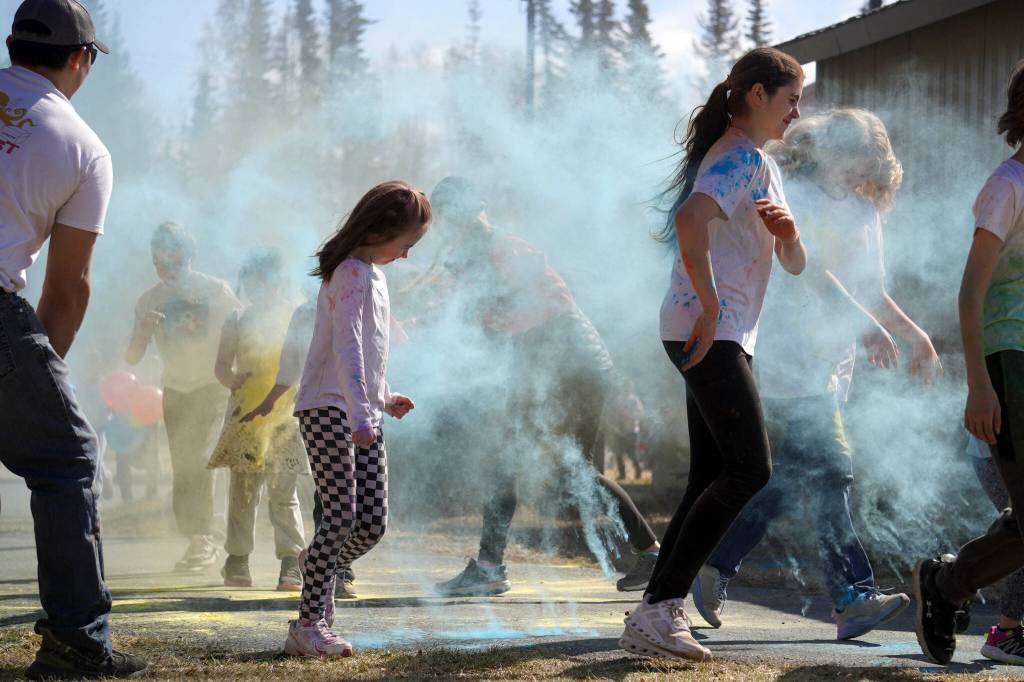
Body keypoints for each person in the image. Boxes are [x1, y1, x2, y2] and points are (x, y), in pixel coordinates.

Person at [693, 108, 942, 640]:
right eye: (854, 158)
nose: (859, 171)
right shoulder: (792, 194)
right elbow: (810, 272)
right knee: (832, 469)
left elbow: (870, 288)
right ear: (827, 148)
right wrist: (868, 327)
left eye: (870, 162)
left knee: (786, 479)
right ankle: (853, 597)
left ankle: (712, 562)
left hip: (832, 361)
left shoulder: (864, 211)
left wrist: (911, 332)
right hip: (788, 353)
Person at [619, 47, 806, 662]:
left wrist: (789, 235)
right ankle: (661, 605)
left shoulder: (758, 165)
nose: (797, 112)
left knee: (711, 475)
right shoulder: (740, 157)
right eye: (790, 99)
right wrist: (707, 305)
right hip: (709, 330)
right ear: (756, 95)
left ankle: (654, 610)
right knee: (751, 469)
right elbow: (690, 222)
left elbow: (795, 266)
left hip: (719, 330)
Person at [0, 0, 146, 677]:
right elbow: (67, 289)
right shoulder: (82, 147)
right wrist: (34, 379)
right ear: (80, 58)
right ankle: (76, 643)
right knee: (66, 460)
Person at [426, 176, 662, 597]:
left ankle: (489, 568)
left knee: (524, 464)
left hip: (570, 368)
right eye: (447, 213)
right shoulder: (470, 259)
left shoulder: (505, 248)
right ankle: (650, 554)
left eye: (458, 209)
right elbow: (477, 322)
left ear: (475, 206)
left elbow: (554, 300)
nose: (454, 220)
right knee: (559, 471)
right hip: (555, 370)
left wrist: (487, 308)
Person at [284, 181, 428, 658]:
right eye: (405, 244)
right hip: (328, 406)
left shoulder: (376, 276)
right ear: (380, 229)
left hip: (361, 410)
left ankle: (316, 563)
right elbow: (345, 346)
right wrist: (363, 413)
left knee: (371, 524)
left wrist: (384, 398)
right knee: (341, 514)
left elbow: (370, 353)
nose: (405, 256)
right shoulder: (348, 273)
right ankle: (308, 624)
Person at [914, 60, 1024, 666]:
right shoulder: (1007, 185)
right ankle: (946, 585)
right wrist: (978, 384)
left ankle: (945, 582)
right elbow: (970, 292)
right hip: (1010, 358)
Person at [125, 221, 241, 572]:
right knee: (182, 464)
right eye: (160, 264)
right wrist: (144, 332)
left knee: (203, 459)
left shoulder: (216, 291)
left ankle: (204, 539)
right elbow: (131, 357)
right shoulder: (149, 300)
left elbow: (242, 329)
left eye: (174, 262)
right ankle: (195, 537)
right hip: (176, 389)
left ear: (189, 257)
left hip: (212, 386)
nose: (167, 270)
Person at [244, 277, 361, 597]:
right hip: (323, 406)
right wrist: (268, 402)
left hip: (363, 410)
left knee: (362, 502)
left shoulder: (365, 298)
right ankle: (333, 570)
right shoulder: (307, 312)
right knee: (334, 495)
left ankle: (330, 562)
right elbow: (291, 362)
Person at [207, 249, 309, 591]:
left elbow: (305, 362)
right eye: (252, 281)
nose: (258, 287)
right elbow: (221, 365)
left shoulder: (296, 317)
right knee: (242, 492)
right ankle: (237, 560)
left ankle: (291, 563)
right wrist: (229, 378)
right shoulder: (237, 319)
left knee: (284, 493)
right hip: (246, 417)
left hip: (285, 418)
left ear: (279, 282)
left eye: (265, 280)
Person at [964, 434, 1024, 663]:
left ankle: (950, 583)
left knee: (1016, 535)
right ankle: (1006, 634)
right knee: (1019, 535)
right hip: (998, 454)